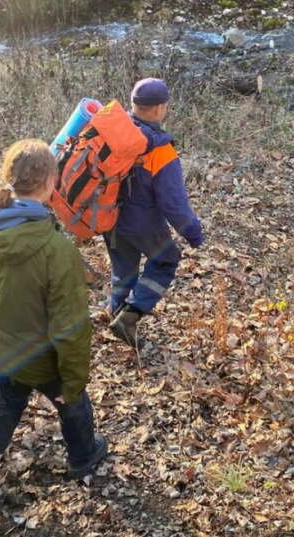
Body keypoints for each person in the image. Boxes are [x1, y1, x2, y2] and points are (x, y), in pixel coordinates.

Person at [0, 139, 107, 517]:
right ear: (50, 184)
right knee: (73, 404)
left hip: (2, 350)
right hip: (44, 360)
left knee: (4, 408)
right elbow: (71, 328)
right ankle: (83, 457)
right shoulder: (56, 248)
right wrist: (73, 379)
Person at [106, 78, 204, 347]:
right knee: (166, 260)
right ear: (160, 108)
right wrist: (193, 234)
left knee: (123, 267)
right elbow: (174, 204)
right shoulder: (160, 150)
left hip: (108, 216)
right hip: (143, 223)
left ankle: (114, 311)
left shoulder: (113, 133)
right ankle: (129, 316)